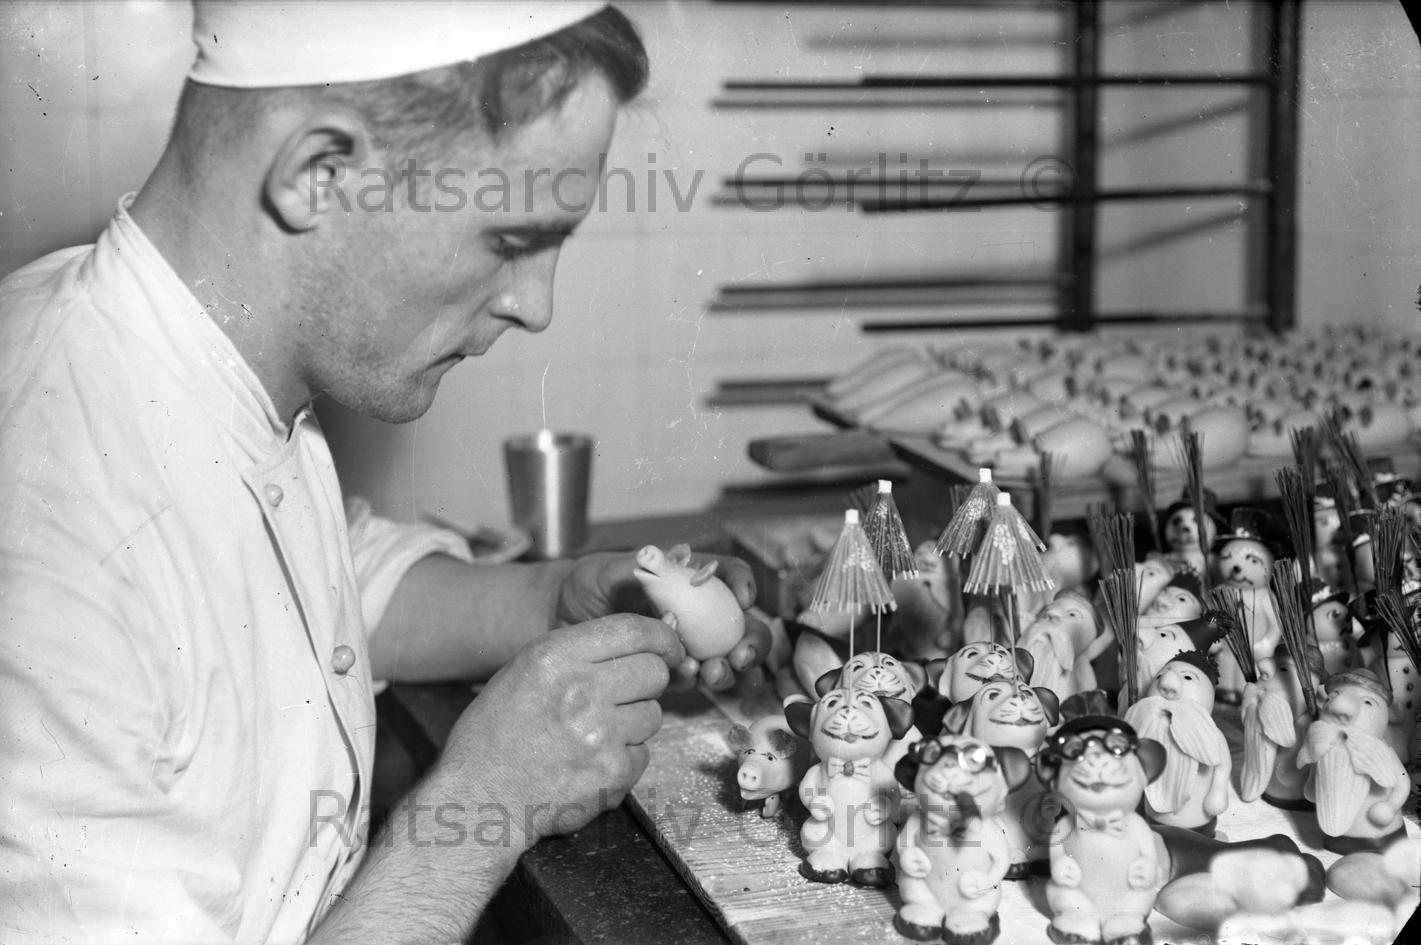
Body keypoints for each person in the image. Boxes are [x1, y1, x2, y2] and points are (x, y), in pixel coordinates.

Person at [0, 3, 769, 942]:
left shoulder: (172, 361)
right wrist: (485, 803)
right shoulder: (51, 533)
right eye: (510, 241)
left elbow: (322, 586)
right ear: (318, 174)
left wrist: (550, 598)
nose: (536, 306)